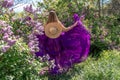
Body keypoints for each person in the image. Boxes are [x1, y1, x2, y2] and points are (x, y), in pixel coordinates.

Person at [35, 11, 90, 75]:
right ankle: (56, 68)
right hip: (58, 41)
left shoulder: (47, 24)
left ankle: (54, 68)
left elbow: (42, 32)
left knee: (51, 55)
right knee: (58, 54)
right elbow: (66, 30)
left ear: (49, 16)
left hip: (49, 42)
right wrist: (75, 25)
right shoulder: (58, 23)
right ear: (55, 16)